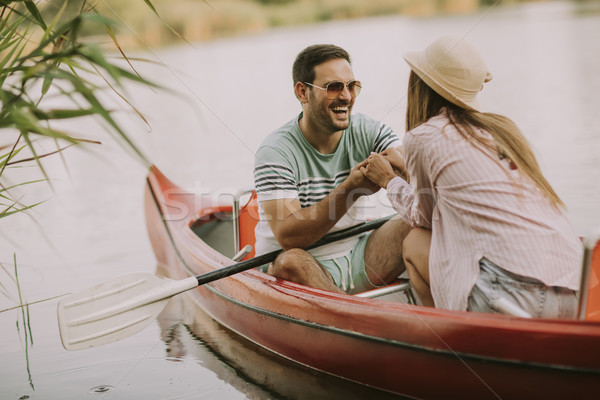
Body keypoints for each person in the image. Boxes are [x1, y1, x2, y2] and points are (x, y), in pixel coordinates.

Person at [361, 35, 583, 318]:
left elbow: (424, 218)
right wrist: (407, 168)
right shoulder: (502, 129)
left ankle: (450, 342)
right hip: (574, 291)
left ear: (422, 87)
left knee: (415, 241)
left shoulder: (423, 137)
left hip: (512, 299)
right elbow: (463, 190)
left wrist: (388, 181)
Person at [253, 44, 411, 294]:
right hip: (303, 269)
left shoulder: (370, 130)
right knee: (291, 260)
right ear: (302, 92)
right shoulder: (274, 151)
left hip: (361, 259)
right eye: (334, 87)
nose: (347, 96)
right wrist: (351, 189)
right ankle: (358, 320)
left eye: (352, 86)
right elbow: (289, 237)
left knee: (418, 221)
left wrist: (402, 170)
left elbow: (415, 174)